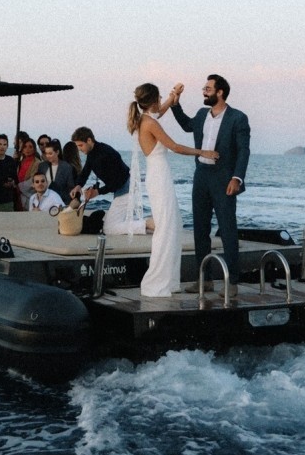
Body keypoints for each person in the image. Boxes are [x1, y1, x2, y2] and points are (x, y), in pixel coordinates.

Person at [128, 83, 218, 297]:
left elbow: (160, 110)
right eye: (159, 98)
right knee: (166, 228)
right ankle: (156, 282)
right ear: (152, 100)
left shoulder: (145, 118)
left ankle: (168, 281)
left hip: (159, 175)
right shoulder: (150, 123)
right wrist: (203, 152)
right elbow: (175, 146)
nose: (161, 101)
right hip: (159, 177)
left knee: (172, 225)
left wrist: (173, 96)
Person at [170, 75, 251, 292]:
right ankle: (204, 281)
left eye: (208, 88)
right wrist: (175, 105)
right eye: (204, 88)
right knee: (200, 230)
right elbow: (186, 125)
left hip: (224, 179)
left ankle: (232, 282)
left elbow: (244, 151)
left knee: (227, 230)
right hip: (201, 176)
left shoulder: (238, 118)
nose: (204, 91)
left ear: (220, 92)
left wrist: (237, 178)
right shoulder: (201, 114)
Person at [70, 127, 138, 235]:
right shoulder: (92, 153)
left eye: (80, 145)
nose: (79, 149)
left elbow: (117, 182)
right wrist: (78, 186)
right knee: (111, 223)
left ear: (89, 140)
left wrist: (97, 192)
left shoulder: (105, 153)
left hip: (126, 188)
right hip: (122, 188)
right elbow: (86, 171)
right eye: (77, 146)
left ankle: (147, 224)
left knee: (109, 228)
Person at [35, 140, 75, 205]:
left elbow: (70, 187)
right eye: (46, 153)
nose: (48, 156)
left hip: (61, 201)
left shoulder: (67, 167)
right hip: (44, 202)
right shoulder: (42, 166)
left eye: (50, 153)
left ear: (57, 152)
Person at [15, 137, 40, 211]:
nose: (27, 149)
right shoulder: (20, 161)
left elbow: (33, 180)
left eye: (30, 147)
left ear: (34, 149)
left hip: (28, 195)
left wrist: (18, 187)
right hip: (17, 195)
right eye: (25, 147)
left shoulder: (37, 163)